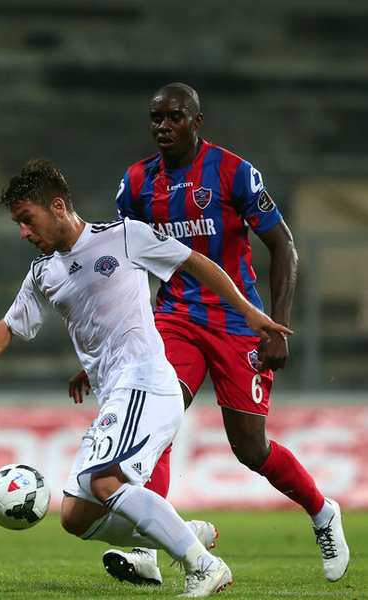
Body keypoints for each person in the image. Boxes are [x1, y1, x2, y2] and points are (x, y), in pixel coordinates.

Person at [0, 158, 293, 597]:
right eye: (18, 223)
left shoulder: (124, 236)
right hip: (115, 394)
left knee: (105, 482)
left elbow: (194, 262)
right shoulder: (44, 272)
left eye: (27, 219)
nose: (23, 232)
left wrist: (249, 312)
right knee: (76, 516)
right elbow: (9, 326)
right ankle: (181, 532)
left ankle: (204, 566)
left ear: (57, 207)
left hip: (145, 381)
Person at [69, 82, 350, 586]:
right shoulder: (136, 183)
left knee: (250, 449)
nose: (163, 126)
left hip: (236, 321)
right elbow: (124, 266)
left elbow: (282, 245)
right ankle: (147, 549)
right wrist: (103, 346)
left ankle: (322, 511)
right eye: (156, 118)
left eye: (174, 117)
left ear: (196, 121)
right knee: (156, 423)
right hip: (175, 316)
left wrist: (278, 326)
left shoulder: (233, 172)